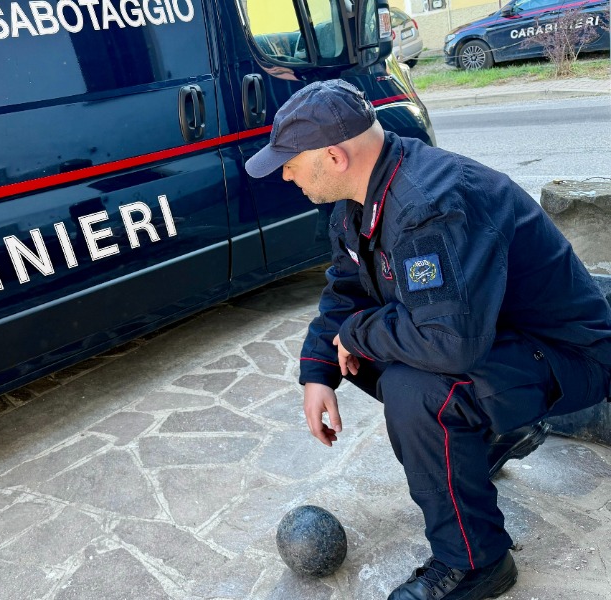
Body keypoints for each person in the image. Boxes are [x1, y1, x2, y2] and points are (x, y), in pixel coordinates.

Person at [244, 79, 611, 600]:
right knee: (371, 362)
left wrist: (355, 334)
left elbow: (448, 345)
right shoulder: (360, 201)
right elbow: (348, 290)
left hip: (568, 355)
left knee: (416, 392)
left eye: (290, 161)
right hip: (499, 339)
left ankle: (476, 562)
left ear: (334, 155)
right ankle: (490, 437)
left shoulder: (428, 206)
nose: (284, 172)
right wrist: (317, 370)